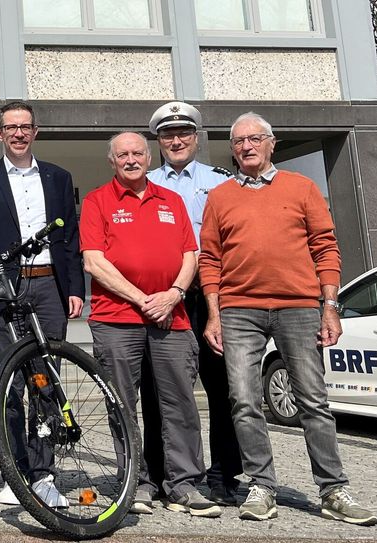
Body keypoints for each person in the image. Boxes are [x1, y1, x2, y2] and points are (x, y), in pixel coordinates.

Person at [199, 112, 377, 525]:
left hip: (299, 307)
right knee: (244, 401)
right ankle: (262, 486)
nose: (246, 146)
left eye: (255, 138)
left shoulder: (302, 188)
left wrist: (329, 306)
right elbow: (210, 258)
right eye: (239, 140)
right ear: (233, 148)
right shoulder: (220, 196)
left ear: (271, 143)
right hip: (239, 309)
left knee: (313, 401)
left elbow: (326, 248)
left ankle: (333, 489)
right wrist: (213, 315)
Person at [80, 132, 220, 518]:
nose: (131, 160)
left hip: (171, 318)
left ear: (148, 156)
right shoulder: (96, 201)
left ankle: (185, 484)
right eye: (122, 154)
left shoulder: (171, 200)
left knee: (180, 403)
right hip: (116, 319)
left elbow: (191, 255)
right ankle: (136, 483)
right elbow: (94, 262)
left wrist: (174, 294)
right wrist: (143, 300)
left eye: (137, 153)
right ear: (112, 161)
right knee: (122, 405)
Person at [0, 100, 84, 507]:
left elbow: (69, 239)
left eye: (25, 127)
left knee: (45, 382)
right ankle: (14, 473)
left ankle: (44, 474)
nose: (18, 133)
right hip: (3, 289)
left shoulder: (58, 177)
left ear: (36, 131)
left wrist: (74, 288)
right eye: (10, 127)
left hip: (48, 285)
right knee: (10, 384)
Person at [139, 101, 242, 507]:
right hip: (165, 301)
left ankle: (224, 476)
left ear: (196, 137)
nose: (176, 140)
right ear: (158, 141)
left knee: (223, 390)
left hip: (212, 297)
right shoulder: (145, 183)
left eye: (183, 133)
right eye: (167, 134)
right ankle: (160, 475)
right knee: (158, 392)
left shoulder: (220, 181)